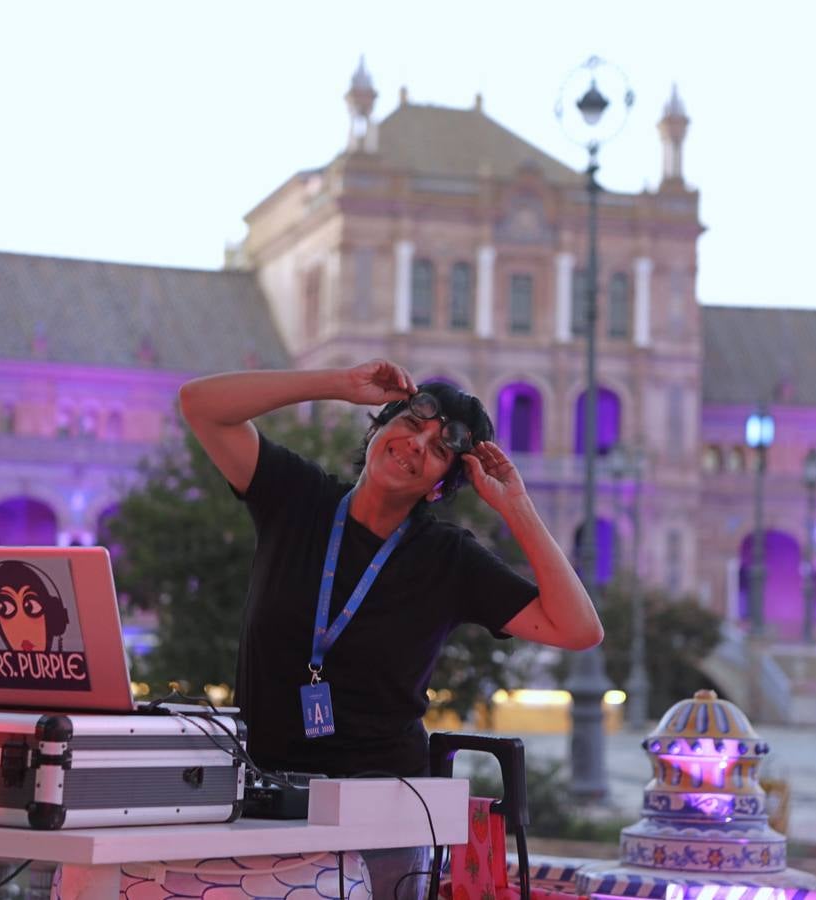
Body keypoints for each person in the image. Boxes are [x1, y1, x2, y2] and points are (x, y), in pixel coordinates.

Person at [178, 359, 603, 899]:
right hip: (262, 798)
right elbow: (200, 405)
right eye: (410, 423)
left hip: (381, 818)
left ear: (439, 487)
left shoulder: (447, 558)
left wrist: (516, 507)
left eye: (440, 448)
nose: (417, 445)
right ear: (377, 428)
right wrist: (337, 384)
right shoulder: (298, 498)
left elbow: (579, 628)